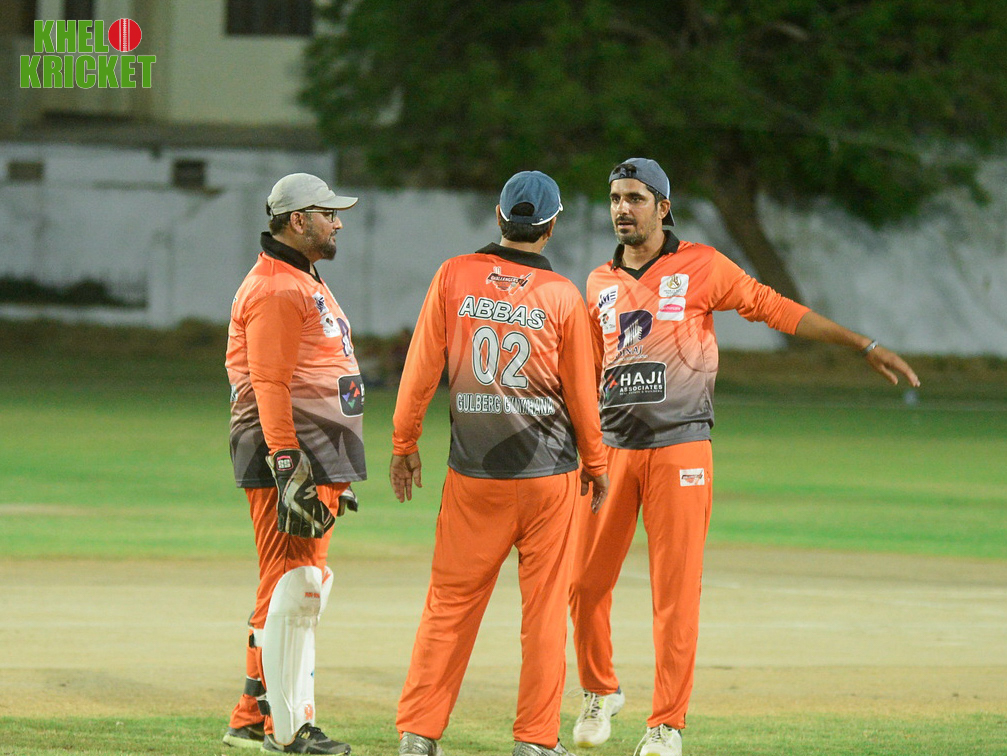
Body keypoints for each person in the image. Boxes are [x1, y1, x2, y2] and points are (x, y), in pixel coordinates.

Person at [568, 158, 921, 756]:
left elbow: (773, 306)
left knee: (674, 595)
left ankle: (666, 725)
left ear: (663, 208)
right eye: (615, 198)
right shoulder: (598, 281)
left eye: (635, 198)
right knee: (583, 584)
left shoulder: (702, 265)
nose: (622, 209)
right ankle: (600, 690)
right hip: (613, 450)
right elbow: (592, 369)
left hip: (681, 448)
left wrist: (861, 343)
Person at [389, 171, 610, 756]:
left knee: (449, 605)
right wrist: (596, 462)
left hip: (473, 477)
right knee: (544, 615)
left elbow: (421, 368)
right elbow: (582, 394)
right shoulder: (562, 295)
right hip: (549, 477)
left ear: (498, 216)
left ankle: (418, 734)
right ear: (552, 225)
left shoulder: (454, 275)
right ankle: (535, 741)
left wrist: (404, 442)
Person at [222, 173, 367, 754]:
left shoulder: (302, 278)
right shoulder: (279, 287)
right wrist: (289, 464)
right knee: (295, 588)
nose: (338, 222)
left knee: (291, 586)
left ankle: (249, 717)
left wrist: (335, 467)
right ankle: (289, 728)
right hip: (289, 455)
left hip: (315, 456)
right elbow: (270, 382)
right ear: (297, 220)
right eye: (328, 213)